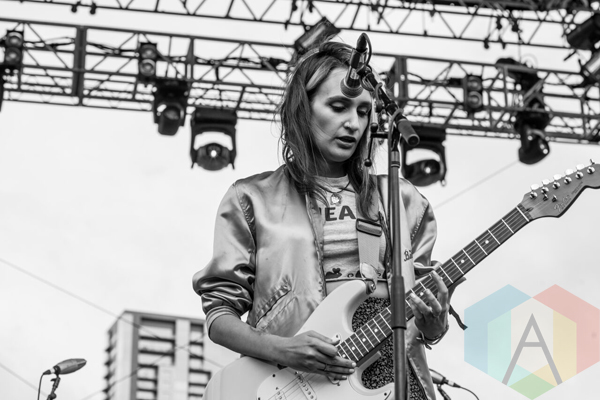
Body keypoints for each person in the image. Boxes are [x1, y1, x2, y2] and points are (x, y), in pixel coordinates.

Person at [193, 39, 457, 400]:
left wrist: (435, 324)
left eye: (363, 112)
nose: (353, 123)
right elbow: (219, 317)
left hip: (391, 384)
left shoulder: (402, 200)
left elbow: (422, 320)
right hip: (288, 387)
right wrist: (281, 349)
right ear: (303, 109)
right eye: (338, 106)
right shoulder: (251, 198)